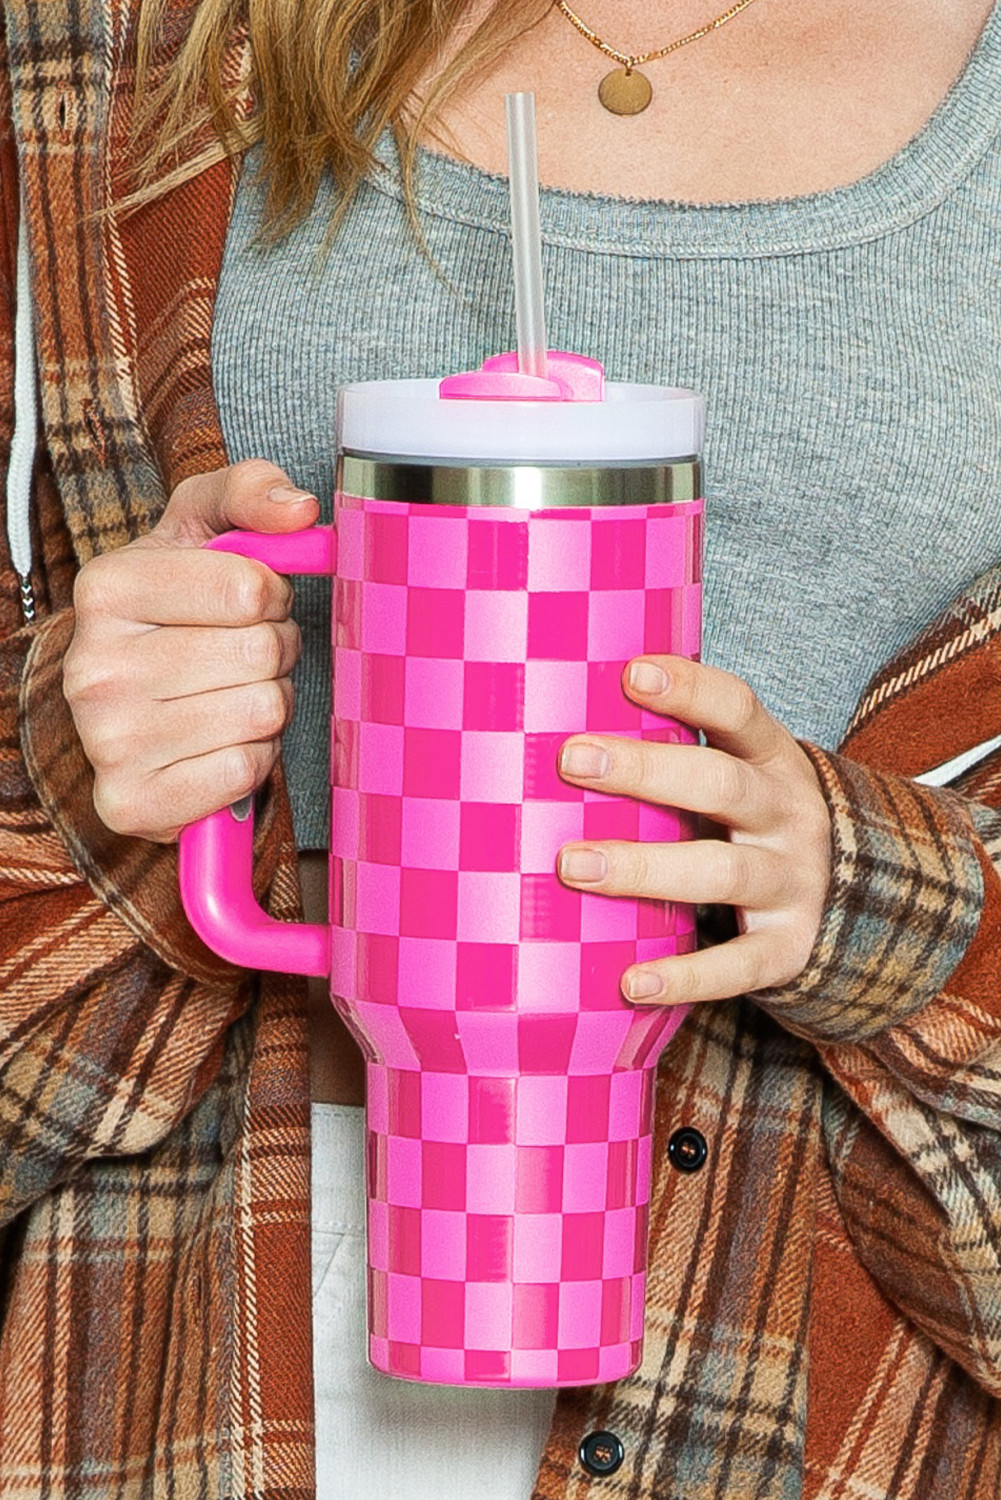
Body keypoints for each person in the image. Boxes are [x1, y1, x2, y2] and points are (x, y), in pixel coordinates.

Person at [2, 0, 1001, 1496]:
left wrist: (866, 895)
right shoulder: (99, 42)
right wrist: (87, 727)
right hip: (211, 1292)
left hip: (818, 1339)